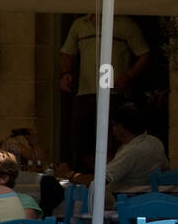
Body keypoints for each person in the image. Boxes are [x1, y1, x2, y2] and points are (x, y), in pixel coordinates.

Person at [59, 13, 152, 171]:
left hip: (113, 93)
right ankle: (94, 177)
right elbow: (67, 53)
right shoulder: (80, 24)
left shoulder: (125, 24)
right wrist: (65, 74)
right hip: (85, 93)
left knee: (113, 139)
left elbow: (144, 54)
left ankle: (110, 177)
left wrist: (128, 76)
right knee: (82, 140)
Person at [55, 103, 169, 205]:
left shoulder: (131, 152)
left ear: (122, 128)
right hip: (144, 196)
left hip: (121, 200)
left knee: (69, 195)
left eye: (114, 125)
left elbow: (99, 181)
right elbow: (164, 169)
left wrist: (69, 174)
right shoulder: (154, 142)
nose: (112, 129)